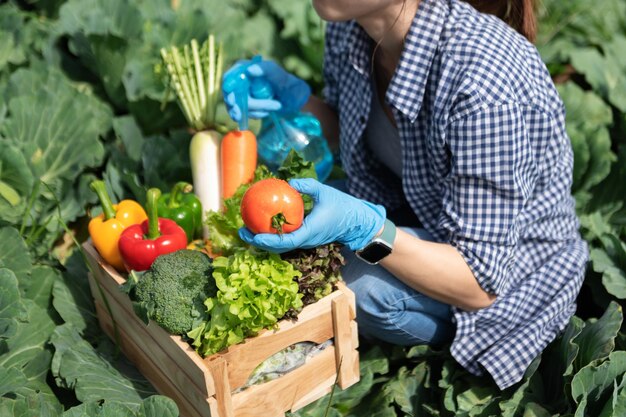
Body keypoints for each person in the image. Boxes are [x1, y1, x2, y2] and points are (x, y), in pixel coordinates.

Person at [222, 0, 588, 390]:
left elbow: (480, 283)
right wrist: (296, 102)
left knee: (363, 285)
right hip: (415, 206)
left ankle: (457, 339)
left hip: (507, 274)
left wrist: (367, 232)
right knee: (296, 220)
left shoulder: (483, 81)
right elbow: (358, 134)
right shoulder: (352, 28)